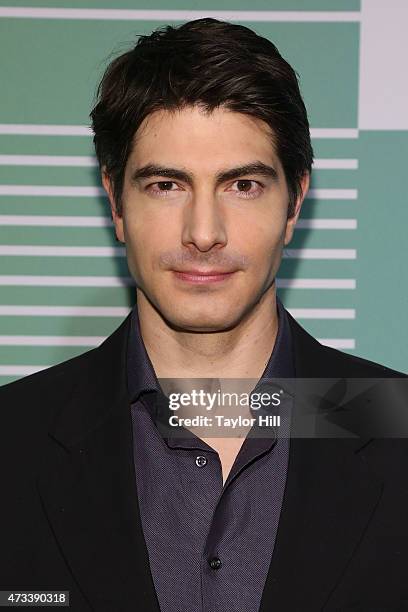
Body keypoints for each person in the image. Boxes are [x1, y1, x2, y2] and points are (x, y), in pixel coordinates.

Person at [0, 17, 407, 612]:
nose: (204, 233)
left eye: (242, 185)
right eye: (167, 184)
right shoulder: (12, 441)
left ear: (295, 201)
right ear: (115, 201)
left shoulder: (398, 430)